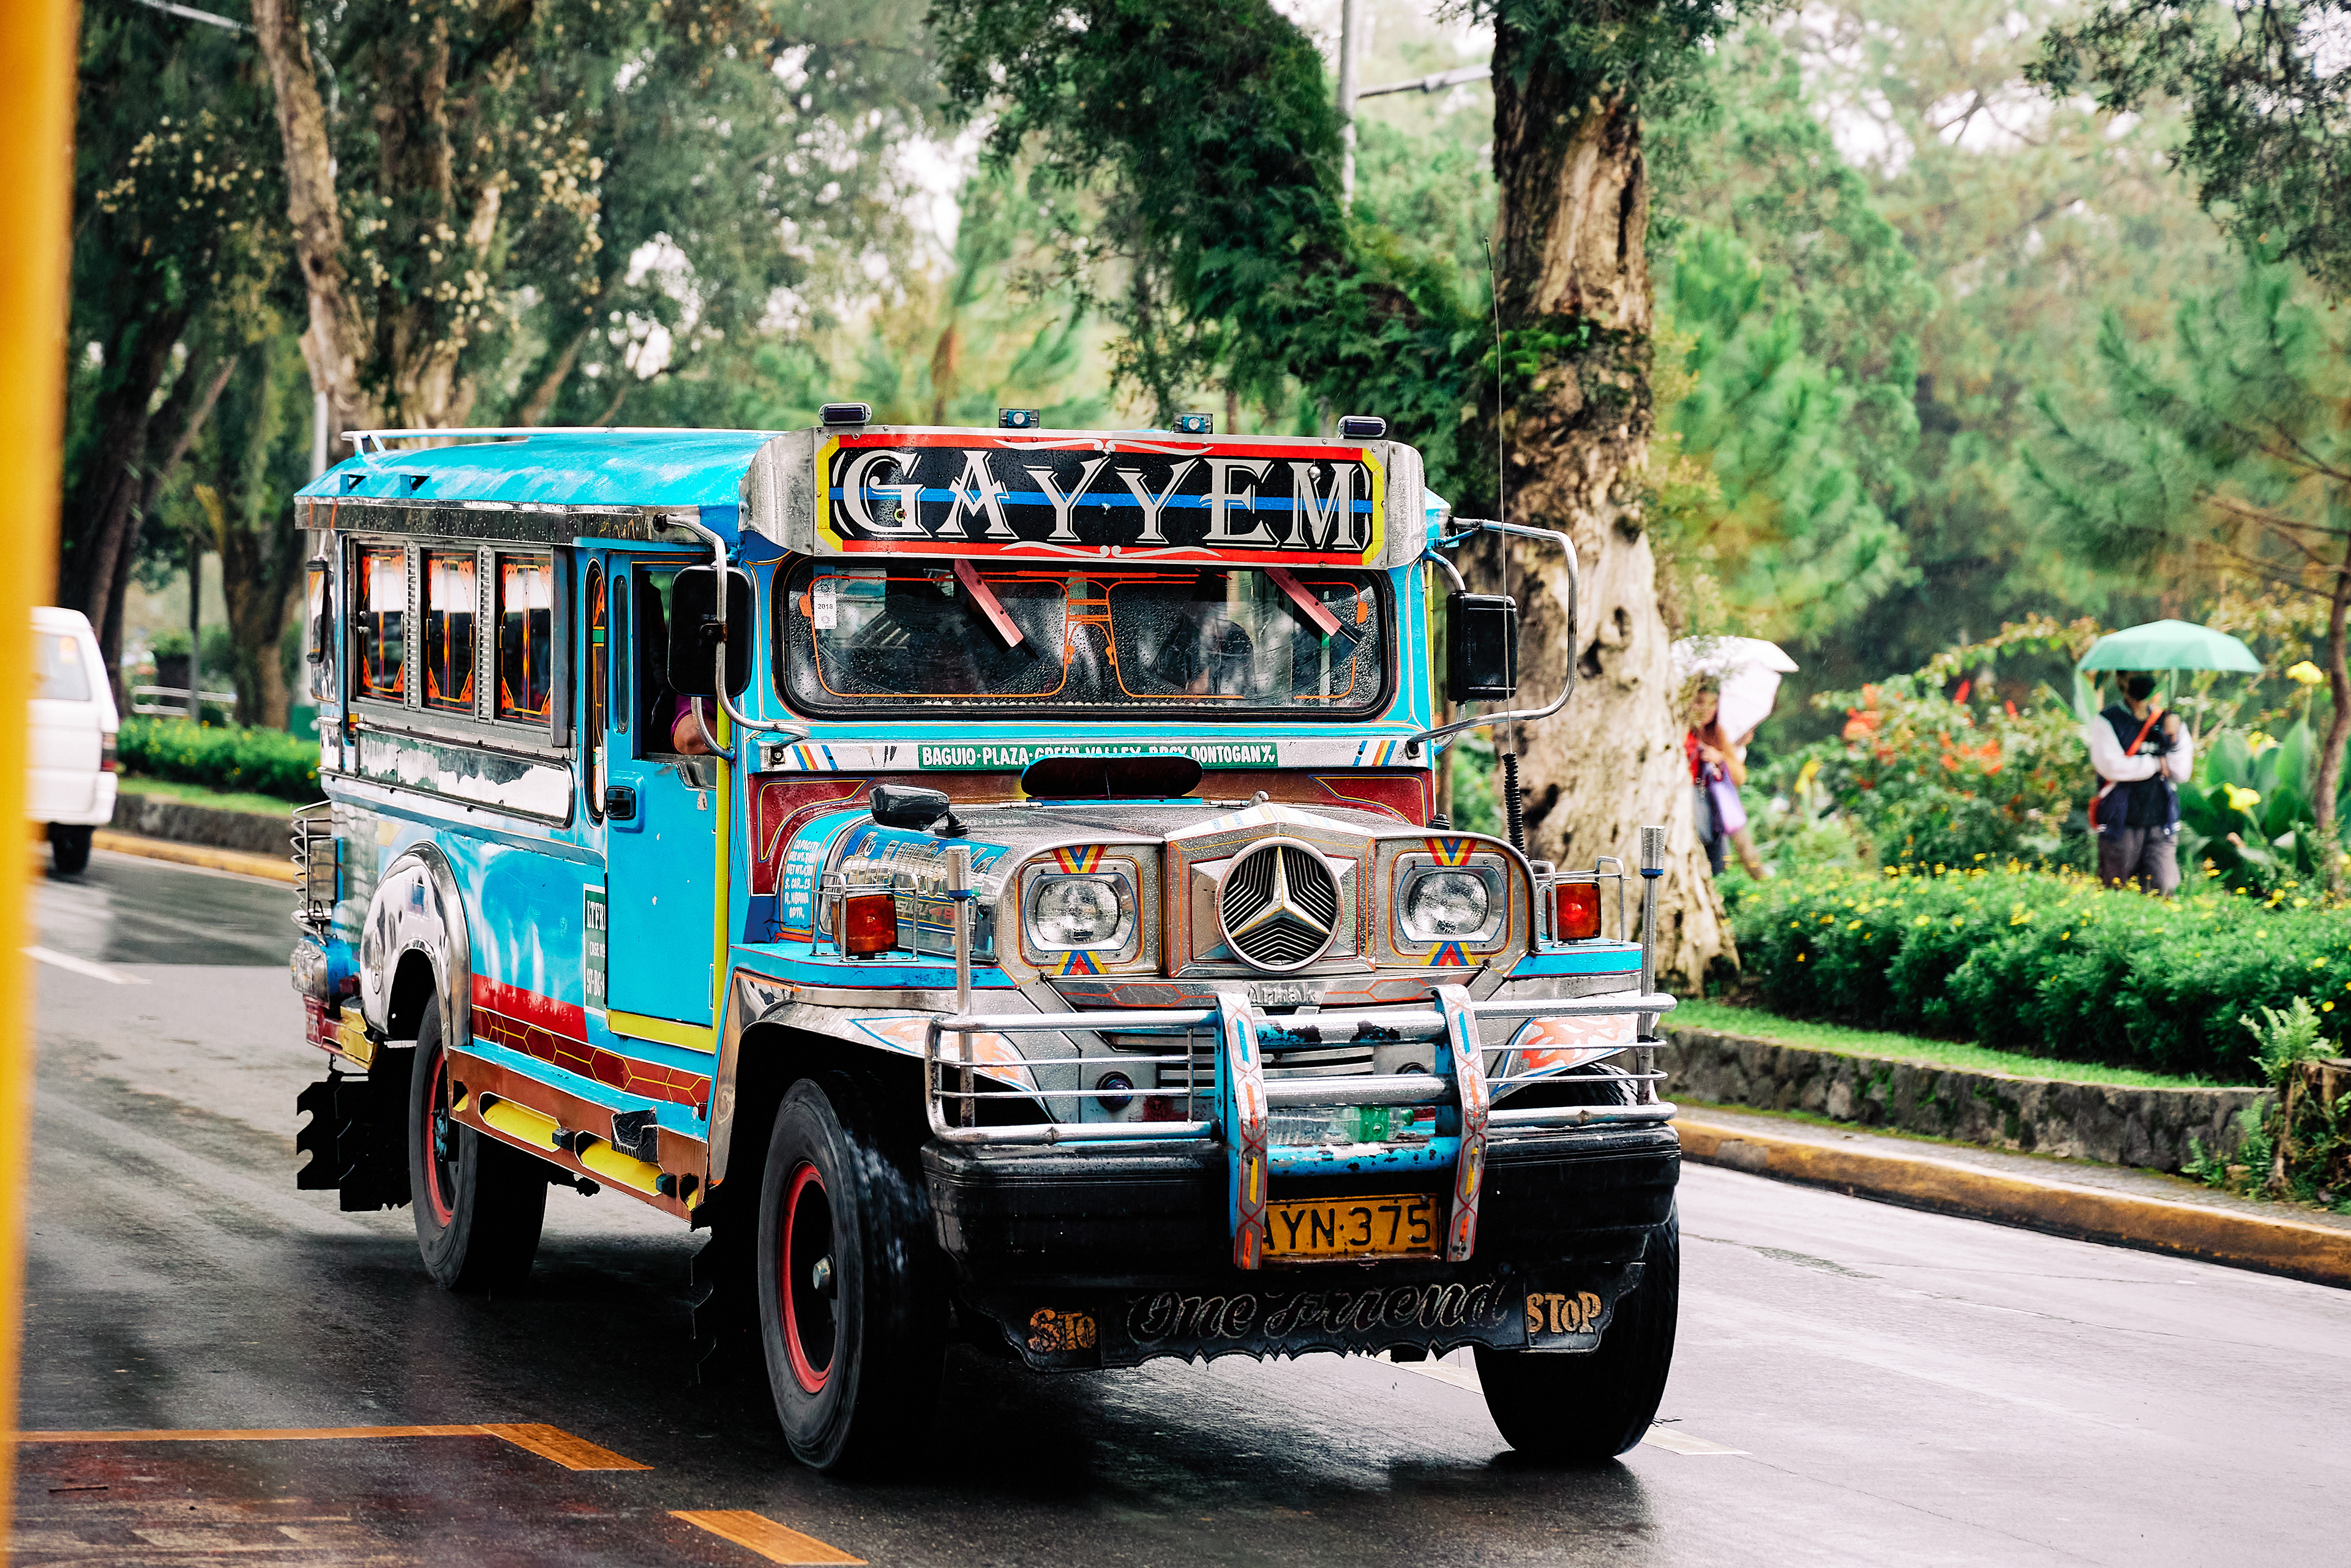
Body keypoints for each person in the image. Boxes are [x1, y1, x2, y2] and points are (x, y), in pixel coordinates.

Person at [2088, 670, 2192, 893]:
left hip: (2160, 821)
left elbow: (2182, 771)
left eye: (2146, 674)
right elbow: (2112, 766)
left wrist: (2173, 740)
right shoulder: (2108, 721)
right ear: (2121, 681)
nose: (2142, 680)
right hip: (2120, 822)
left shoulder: (2168, 721)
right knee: (2116, 889)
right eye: (2135, 675)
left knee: (2165, 887)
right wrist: (2156, 764)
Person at [1686, 681, 1766, 880]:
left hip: (1711, 805)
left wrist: (1719, 758)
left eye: (1713, 704)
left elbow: (1739, 776)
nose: (1706, 709)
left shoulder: (1716, 733)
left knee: (1719, 862)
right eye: (1699, 702)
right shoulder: (1680, 731)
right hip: (1686, 805)